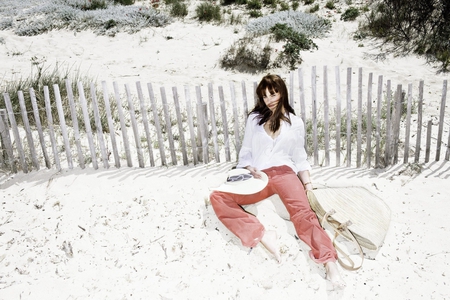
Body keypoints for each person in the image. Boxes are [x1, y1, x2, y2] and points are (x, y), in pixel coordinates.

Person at [209, 74, 345, 289]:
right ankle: (261, 234)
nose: (270, 99)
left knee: (303, 214)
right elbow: (246, 150)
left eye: (273, 93)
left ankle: (329, 262)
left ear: (282, 92)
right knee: (218, 196)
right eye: (264, 96)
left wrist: (307, 185)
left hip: (285, 173)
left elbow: (299, 157)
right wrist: (246, 167)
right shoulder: (254, 119)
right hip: (259, 176)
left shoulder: (296, 122)